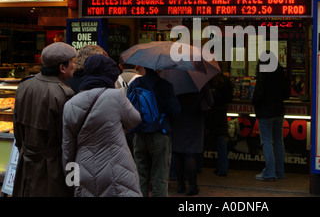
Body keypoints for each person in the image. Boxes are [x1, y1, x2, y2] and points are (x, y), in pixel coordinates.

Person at [62, 54, 142, 197]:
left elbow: (68, 148)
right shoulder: (115, 96)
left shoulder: (70, 104)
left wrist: (70, 181)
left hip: (83, 169)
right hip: (117, 167)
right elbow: (135, 120)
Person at [13, 42, 77, 197]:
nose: (75, 66)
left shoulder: (24, 85)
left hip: (26, 162)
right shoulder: (64, 94)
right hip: (52, 169)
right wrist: (73, 181)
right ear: (62, 68)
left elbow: (17, 131)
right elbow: (68, 143)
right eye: (73, 62)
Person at [127, 68, 181, 197]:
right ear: (159, 68)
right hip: (160, 134)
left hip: (139, 134)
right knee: (160, 177)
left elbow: (128, 105)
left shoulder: (135, 84)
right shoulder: (165, 85)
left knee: (140, 175)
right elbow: (175, 110)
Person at [252, 51, 290, 181]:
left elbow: (257, 96)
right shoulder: (281, 74)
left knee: (267, 142)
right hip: (278, 111)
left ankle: (269, 172)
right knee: (278, 141)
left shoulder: (263, 75)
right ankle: (280, 172)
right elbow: (286, 94)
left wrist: (255, 102)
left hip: (265, 112)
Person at [173, 85, 213, 196]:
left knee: (178, 153)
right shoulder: (200, 82)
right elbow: (210, 101)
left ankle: (180, 184)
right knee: (190, 154)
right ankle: (192, 186)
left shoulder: (175, 79)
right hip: (194, 120)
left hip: (178, 120)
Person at [206, 72, 233, 176]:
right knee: (221, 143)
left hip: (209, 114)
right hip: (221, 114)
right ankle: (223, 169)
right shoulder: (226, 81)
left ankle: (197, 167)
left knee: (203, 141)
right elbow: (229, 98)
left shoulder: (207, 80)